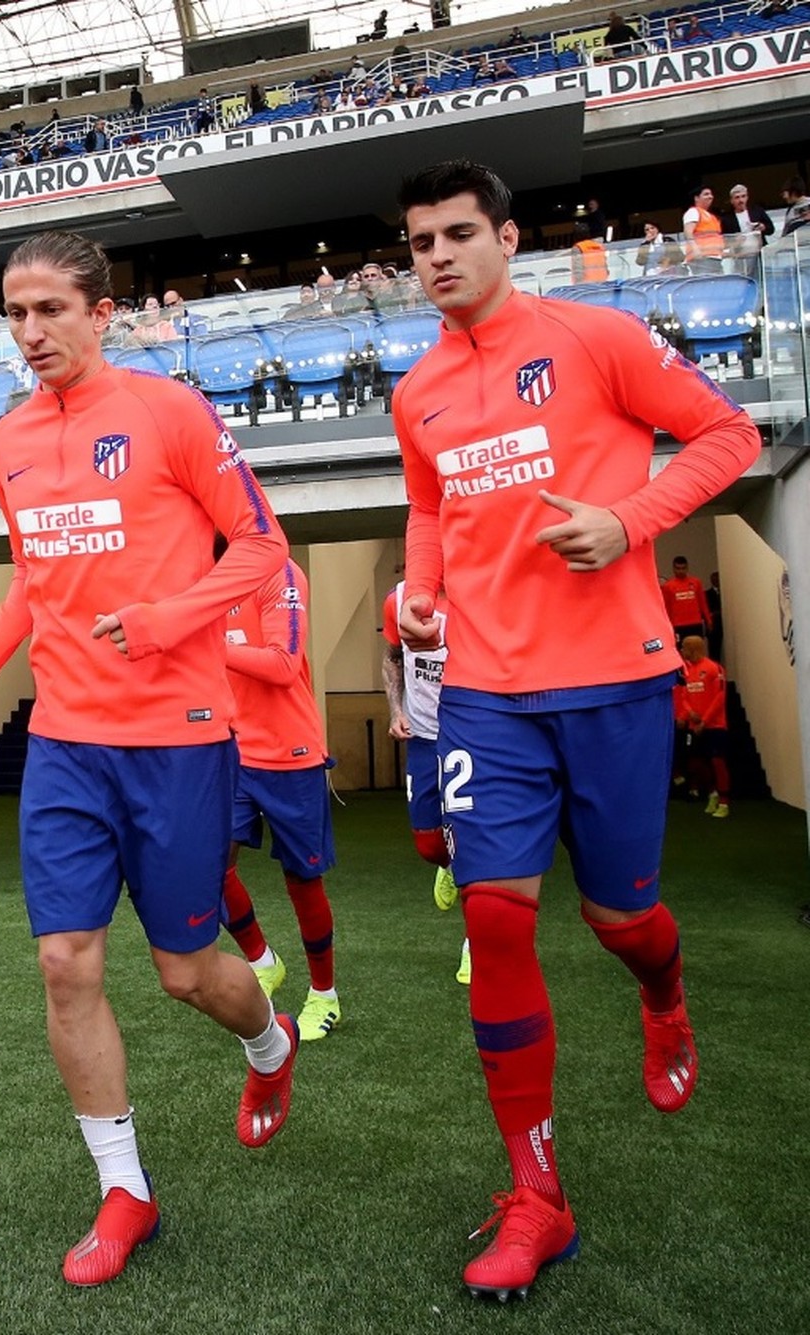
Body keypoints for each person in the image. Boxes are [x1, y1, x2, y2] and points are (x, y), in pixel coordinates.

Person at [393, 159, 761, 1301]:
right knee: (496, 922)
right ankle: (537, 1199)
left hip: (614, 682)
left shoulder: (597, 337)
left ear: (507, 239)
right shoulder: (419, 393)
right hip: (487, 694)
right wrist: (420, 589)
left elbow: (726, 435)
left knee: (622, 918)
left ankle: (664, 997)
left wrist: (628, 517)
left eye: (460, 233)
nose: (440, 255)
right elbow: (428, 504)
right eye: (420, 242)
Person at [0, 230, 298, 1288]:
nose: (31, 330)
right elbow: (33, 580)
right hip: (64, 742)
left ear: (105, 313)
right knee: (66, 964)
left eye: (52, 308)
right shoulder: (7, 441)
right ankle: (126, 1190)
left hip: (177, 741)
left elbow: (262, 548)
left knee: (188, 973)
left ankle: (270, 1049)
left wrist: (161, 621)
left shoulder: (170, 413)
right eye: (15, 311)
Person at [220, 553, 342, 1041]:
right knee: (211, 870)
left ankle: (324, 994)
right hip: (230, 752)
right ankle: (263, 960)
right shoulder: (203, 580)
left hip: (290, 753)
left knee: (302, 880)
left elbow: (283, 663)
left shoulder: (278, 572)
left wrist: (203, 644)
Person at [382, 580, 469, 983]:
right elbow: (392, 656)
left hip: (472, 734)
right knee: (429, 843)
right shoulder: (400, 600)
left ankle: (475, 943)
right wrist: (395, 708)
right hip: (421, 734)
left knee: (475, 842)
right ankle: (446, 864)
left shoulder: (482, 589)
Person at [676, 636, 730, 817]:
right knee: (696, 763)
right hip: (694, 727)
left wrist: (705, 721)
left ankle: (724, 802)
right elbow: (684, 696)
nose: (682, 651)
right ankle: (712, 793)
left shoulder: (714, 668)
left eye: (684, 647)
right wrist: (688, 713)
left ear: (694, 648)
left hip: (714, 726)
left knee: (717, 761)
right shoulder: (687, 672)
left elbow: (719, 698)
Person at [720, 183, 774, 276]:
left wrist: (762, 227)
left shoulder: (757, 211)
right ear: (731, 201)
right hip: (740, 256)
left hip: (759, 253)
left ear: (747, 197)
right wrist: (734, 240)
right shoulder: (726, 218)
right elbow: (723, 240)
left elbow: (771, 229)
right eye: (737, 197)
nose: (741, 200)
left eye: (743, 196)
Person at [662, 555, 712, 645]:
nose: (681, 571)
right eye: (678, 568)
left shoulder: (696, 582)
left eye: (683, 568)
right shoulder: (668, 586)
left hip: (695, 623)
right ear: (673, 568)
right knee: (680, 650)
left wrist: (708, 620)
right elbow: (666, 608)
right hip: (678, 625)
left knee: (697, 650)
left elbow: (702, 603)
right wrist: (667, 625)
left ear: (687, 568)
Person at [683, 185, 724, 273]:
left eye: (711, 194)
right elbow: (688, 232)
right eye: (706, 194)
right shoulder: (693, 212)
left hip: (714, 257)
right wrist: (696, 250)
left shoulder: (712, 216)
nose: (710, 196)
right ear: (696, 198)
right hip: (702, 257)